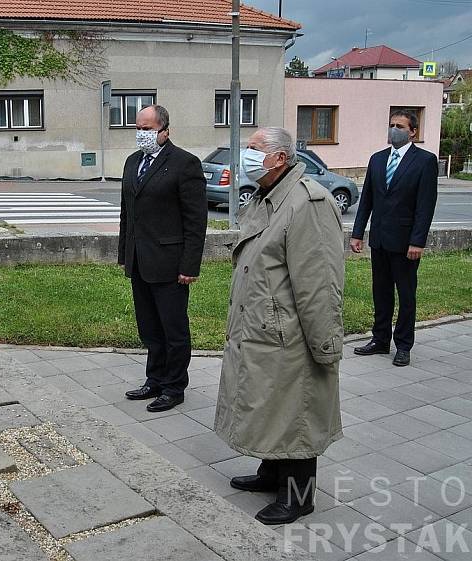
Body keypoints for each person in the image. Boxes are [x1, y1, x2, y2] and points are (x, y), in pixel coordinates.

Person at [214, 127, 345, 525]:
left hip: (292, 333)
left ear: (280, 158)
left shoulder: (309, 203)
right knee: (272, 405)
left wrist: (325, 347)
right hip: (265, 328)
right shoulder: (268, 197)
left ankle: (299, 496)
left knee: (297, 414)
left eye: (255, 150)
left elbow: (319, 284)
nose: (247, 156)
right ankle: (272, 473)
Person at [118, 105, 207, 413]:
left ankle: (173, 386)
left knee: (173, 329)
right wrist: (124, 255)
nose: (141, 134)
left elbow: (196, 220)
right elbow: (127, 214)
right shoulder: (133, 162)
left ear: (165, 130)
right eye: (138, 128)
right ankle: (154, 379)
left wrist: (189, 266)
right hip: (140, 261)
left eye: (147, 128)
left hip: (170, 263)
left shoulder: (184, 163)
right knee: (149, 328)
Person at [350, 110, 439, 367]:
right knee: (381, 292)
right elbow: (366, 199)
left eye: (400, 126)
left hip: (406, 242)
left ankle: (403, 345)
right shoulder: (377, 159)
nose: (394, 130)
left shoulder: (424, 161)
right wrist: (358, 233)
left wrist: (417, 241)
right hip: (379, 239)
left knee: (406, 294)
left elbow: (425, 206)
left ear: (413, 131)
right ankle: (380, 340)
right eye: (391, 125)